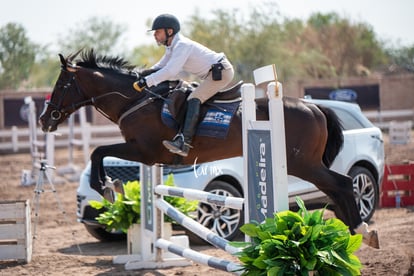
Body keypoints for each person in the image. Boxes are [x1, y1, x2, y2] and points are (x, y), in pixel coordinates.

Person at [133, 14, 234, 157]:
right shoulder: (171, 47)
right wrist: (139, 74)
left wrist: (146, 82)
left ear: (169, 31)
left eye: (158, 31)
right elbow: (159, 67)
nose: (155, 35)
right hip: (212, 73)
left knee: (194, 98)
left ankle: (184, 143)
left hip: (221, 72)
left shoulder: (181, 45)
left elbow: (170, 71)